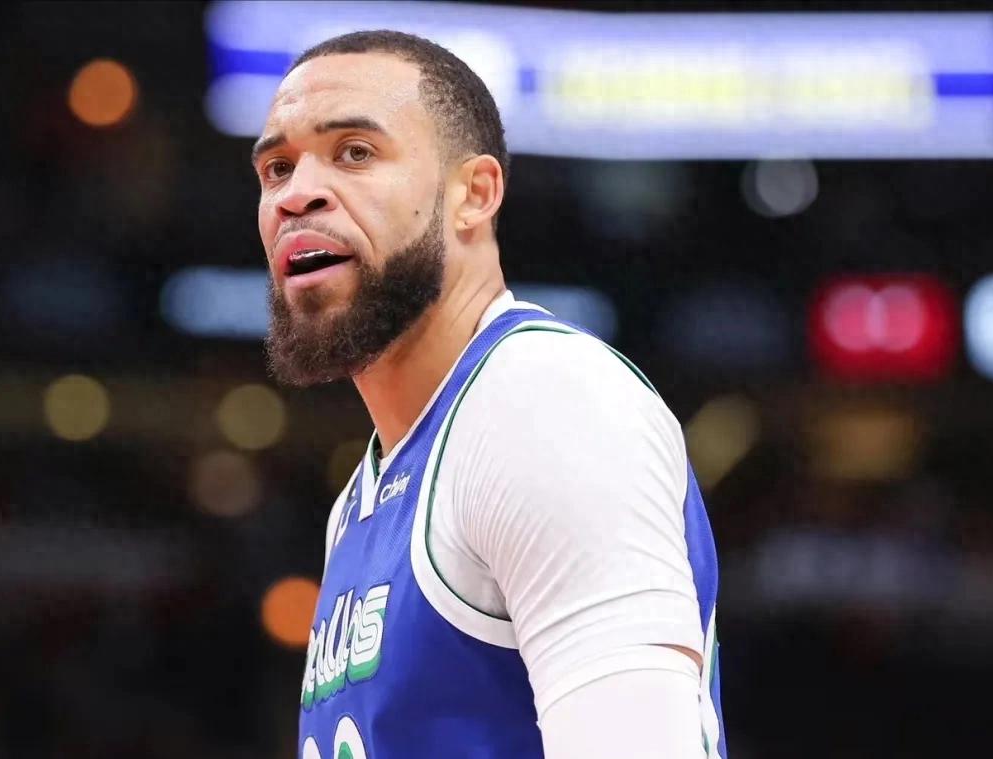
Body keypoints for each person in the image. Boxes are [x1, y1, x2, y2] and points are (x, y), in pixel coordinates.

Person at [253, 29, 726, 759]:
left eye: (355, 152)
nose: (296, 194)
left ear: (473, 195)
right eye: (277, 167)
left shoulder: (543, 403)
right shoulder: (364, 497)